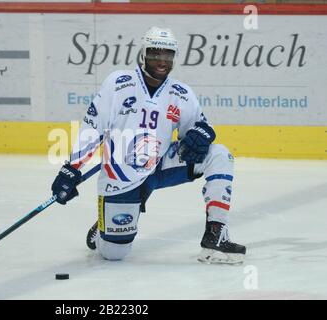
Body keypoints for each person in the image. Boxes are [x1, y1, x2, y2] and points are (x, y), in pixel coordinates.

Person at [51, 26, 246, 265]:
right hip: (121, 174)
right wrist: (72, 167)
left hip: (160, 166)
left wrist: (201, 133)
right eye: (156, 54)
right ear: (144, 53)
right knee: (114, 254)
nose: (162, 61)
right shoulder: (118, 83)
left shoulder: (181, 93)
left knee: (219, 154)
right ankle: (105, 224)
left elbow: (200, 127)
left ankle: (215, 235)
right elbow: (93, 127)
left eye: (168, 55)